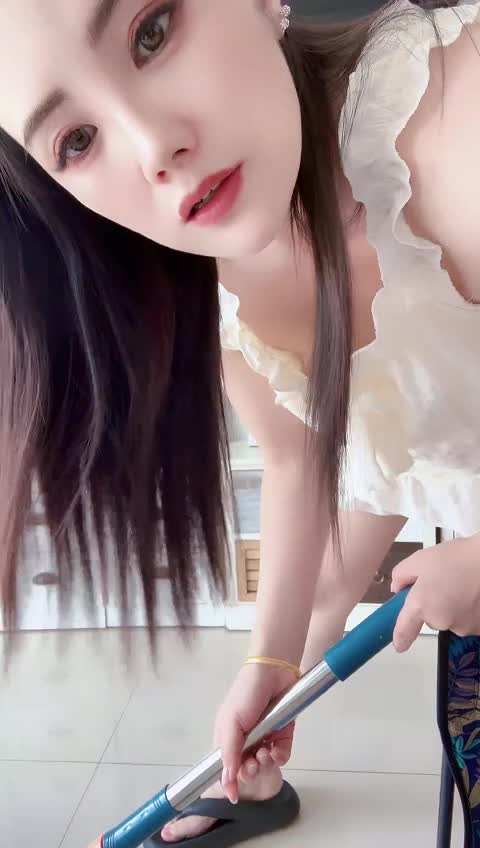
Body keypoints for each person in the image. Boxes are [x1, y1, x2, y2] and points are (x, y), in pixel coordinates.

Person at [1, 1, 480, 846]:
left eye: (152, 32)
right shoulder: (213, 272)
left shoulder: (458, 131)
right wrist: (271, 671)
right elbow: (304, 461)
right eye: (76, 141)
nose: (154, 148)